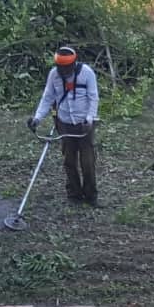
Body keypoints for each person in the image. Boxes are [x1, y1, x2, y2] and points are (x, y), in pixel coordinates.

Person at [30, 45, 100, 205]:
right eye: (60, 67)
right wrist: (37, 119)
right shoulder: (53, 75)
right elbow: (47, 98)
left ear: (74, 64)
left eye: (67, 67)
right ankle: (74, 195)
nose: (63, 71)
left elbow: (93, 98)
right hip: (65, 124)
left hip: (84, 125)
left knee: (88, 162)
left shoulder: (87, 73)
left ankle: (91, 196)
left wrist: (90, 119)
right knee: (69, 161)